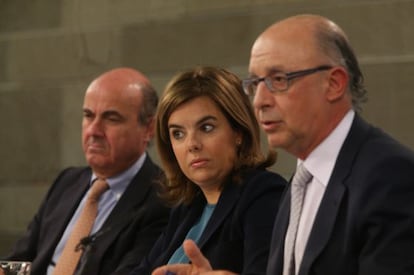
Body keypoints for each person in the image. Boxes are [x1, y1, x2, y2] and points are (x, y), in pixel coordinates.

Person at [155, 14, 414, 275]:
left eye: (278, 80)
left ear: (334, 84)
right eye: (255, 84)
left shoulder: (391, 174)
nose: (259, 102)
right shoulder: (301, 182)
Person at [2, 68, 170, 275]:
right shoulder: (67, 182)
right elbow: (24, 261)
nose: (93, 130)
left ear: (149, 128)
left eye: (111, 118)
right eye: (88, 116)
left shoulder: (163, 199)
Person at [130, 66, 287, 275]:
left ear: (238, 131)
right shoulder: (187, 207)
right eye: (178, 134)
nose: (191, 144)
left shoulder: (264, 193)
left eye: (206, 128)